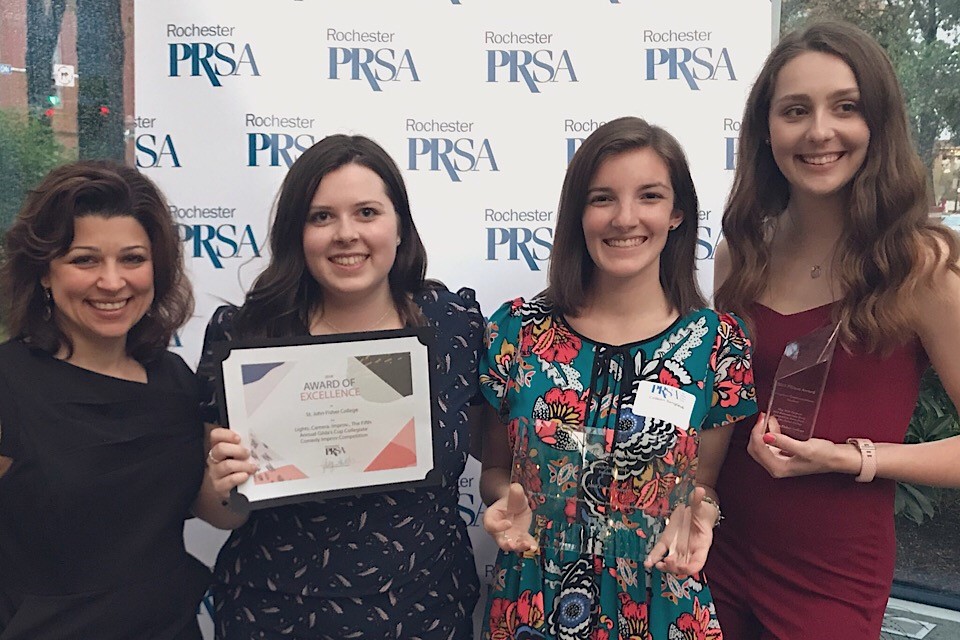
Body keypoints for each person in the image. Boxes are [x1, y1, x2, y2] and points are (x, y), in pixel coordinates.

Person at [707, 21, 960, 640]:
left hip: (834, 574)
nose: (820, 131)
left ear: (877, 122)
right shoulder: (740, 255)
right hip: (716, 551)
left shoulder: (921, 267)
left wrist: (853, 458)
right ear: (766, 132)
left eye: (845, 107)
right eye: (796, 110)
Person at [477, 116, 758, 640]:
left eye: (649, 196)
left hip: (658, 605)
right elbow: (496, 469)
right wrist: (502, 503)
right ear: (578, 215)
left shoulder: (716, 344)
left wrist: (704, 517)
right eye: (602, 198)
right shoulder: (515, 332)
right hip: (533, 601)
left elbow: (706, 487)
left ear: (677, 214)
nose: (625, 218)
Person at [195, 134, 483, 639]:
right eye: (321, 216)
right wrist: (221, 486)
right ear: (296, 233)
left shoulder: (454, 325)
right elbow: (218, 514)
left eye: (367, 212)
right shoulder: (244, 338)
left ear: (399, 227)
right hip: (275, 612)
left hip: (422, 610)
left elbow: (496, 450)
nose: (345, 234)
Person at [0, 160, 210, 639]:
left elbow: (210, 509)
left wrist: (233, 480)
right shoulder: (6, 384)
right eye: (85, 260)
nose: (112, 282)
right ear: (44, 274)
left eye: (132, 259)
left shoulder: (175, 379)